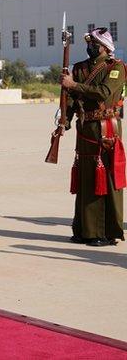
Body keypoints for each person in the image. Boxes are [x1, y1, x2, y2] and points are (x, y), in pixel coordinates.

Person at [61, 28, 125, 247]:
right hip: (85, 128)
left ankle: (104, 232)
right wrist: (65, 120)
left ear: (105, 48)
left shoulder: (115, 68)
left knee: (105, 180)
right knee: (86, 180)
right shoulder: (79, 68)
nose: (90, 48)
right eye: (89, 44)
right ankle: (83, 229)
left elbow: (103, 92)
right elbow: (70, 97)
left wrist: (73, 85)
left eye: (94, 44)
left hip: (107, 127)